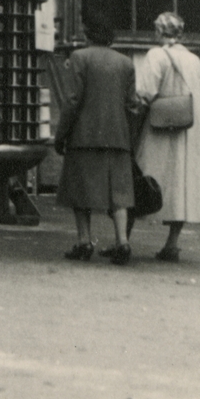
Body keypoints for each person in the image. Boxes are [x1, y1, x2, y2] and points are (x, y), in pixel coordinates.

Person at [53, 14, 141, 265]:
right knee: (119, 192)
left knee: (80, 190)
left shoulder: (80, 58)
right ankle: (122, 242)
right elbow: (132, 105)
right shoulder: (126, 63)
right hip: (118, 137)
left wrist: (61, 135)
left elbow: (72, 102)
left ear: (88, 34)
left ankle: (84, 242)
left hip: (85, 135)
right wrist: (129, 137)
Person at [133, 11, 200, 262]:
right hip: (187, 130)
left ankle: (124, 239)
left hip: (158, 128)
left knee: (143, 178)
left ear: (158, 31)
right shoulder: (194, 60)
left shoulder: (156, 55)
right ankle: (171, 244)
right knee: (182, 185)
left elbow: (145, 92)